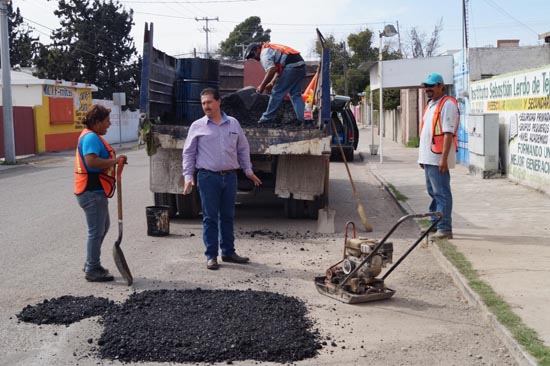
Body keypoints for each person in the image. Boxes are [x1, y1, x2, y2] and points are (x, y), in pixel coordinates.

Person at [182, 88, 262, 270]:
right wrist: (188, 177)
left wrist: (248, 170)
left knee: (227, 216)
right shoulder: (197, 126)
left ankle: (228, 252)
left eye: (209, 102)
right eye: (203, 103)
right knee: (210, 218)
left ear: (219, 102)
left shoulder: (233, 124)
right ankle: (211, 256)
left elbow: (243, 148)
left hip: (230, 177)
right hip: (208, 177)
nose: (206, 106)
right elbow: (189, 153)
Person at [75, 104, 127, 282]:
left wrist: (115, 162)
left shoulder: (92, 136)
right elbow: (91, 162)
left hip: (93, 191)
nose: (109, 124)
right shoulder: (90, 138)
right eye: (106, 121)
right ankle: (92, 268)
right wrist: (114, 161)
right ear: (96, 122)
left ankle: (91, 261)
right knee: (96, 231)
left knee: (102, 227)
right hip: (91, 191)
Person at [418, 73, 459, 240]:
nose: (428, 88)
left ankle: (445, 228)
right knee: (432, 192)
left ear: (441, 86)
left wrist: (443, 159)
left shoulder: (447, 104)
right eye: (426, 86)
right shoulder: (431, 105)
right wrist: (422, 158)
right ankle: (435, 224)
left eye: (432, 85)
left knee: (441, 193)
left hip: (437, 158)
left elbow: (448, 133)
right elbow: (426, 132)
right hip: (428, 157)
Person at [245, 42, 306, 124]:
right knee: (295, 95)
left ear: (257, 49)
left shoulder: (264, 53)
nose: (254, 58)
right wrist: (272, 83)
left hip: (291, 67)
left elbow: (272, 69)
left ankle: (266, 119)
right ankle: (304, 119)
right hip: (300, 66)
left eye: (253, 55)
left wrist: (261, 86)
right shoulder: (271, 49)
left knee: (276, 93)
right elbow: (278, 70)